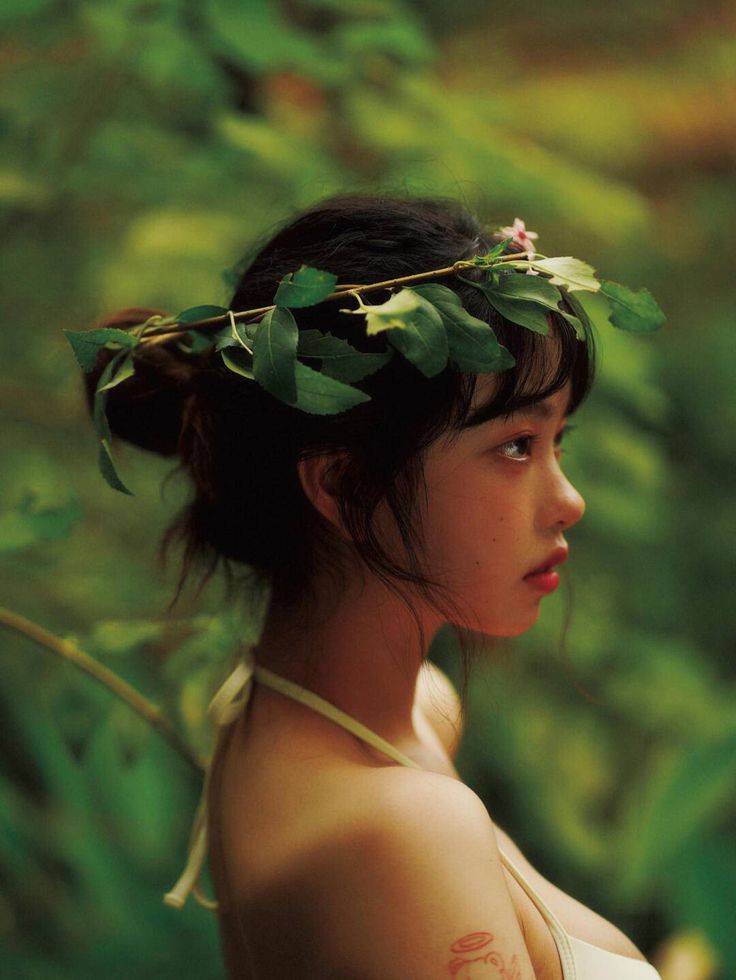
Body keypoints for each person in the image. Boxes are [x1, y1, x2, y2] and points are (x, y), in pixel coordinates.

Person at [82, 194, 663, 979]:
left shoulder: (329, 714)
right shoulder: (400, 830)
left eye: (558, 440)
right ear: (345, 486)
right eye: (518, 445)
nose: (570, 501)